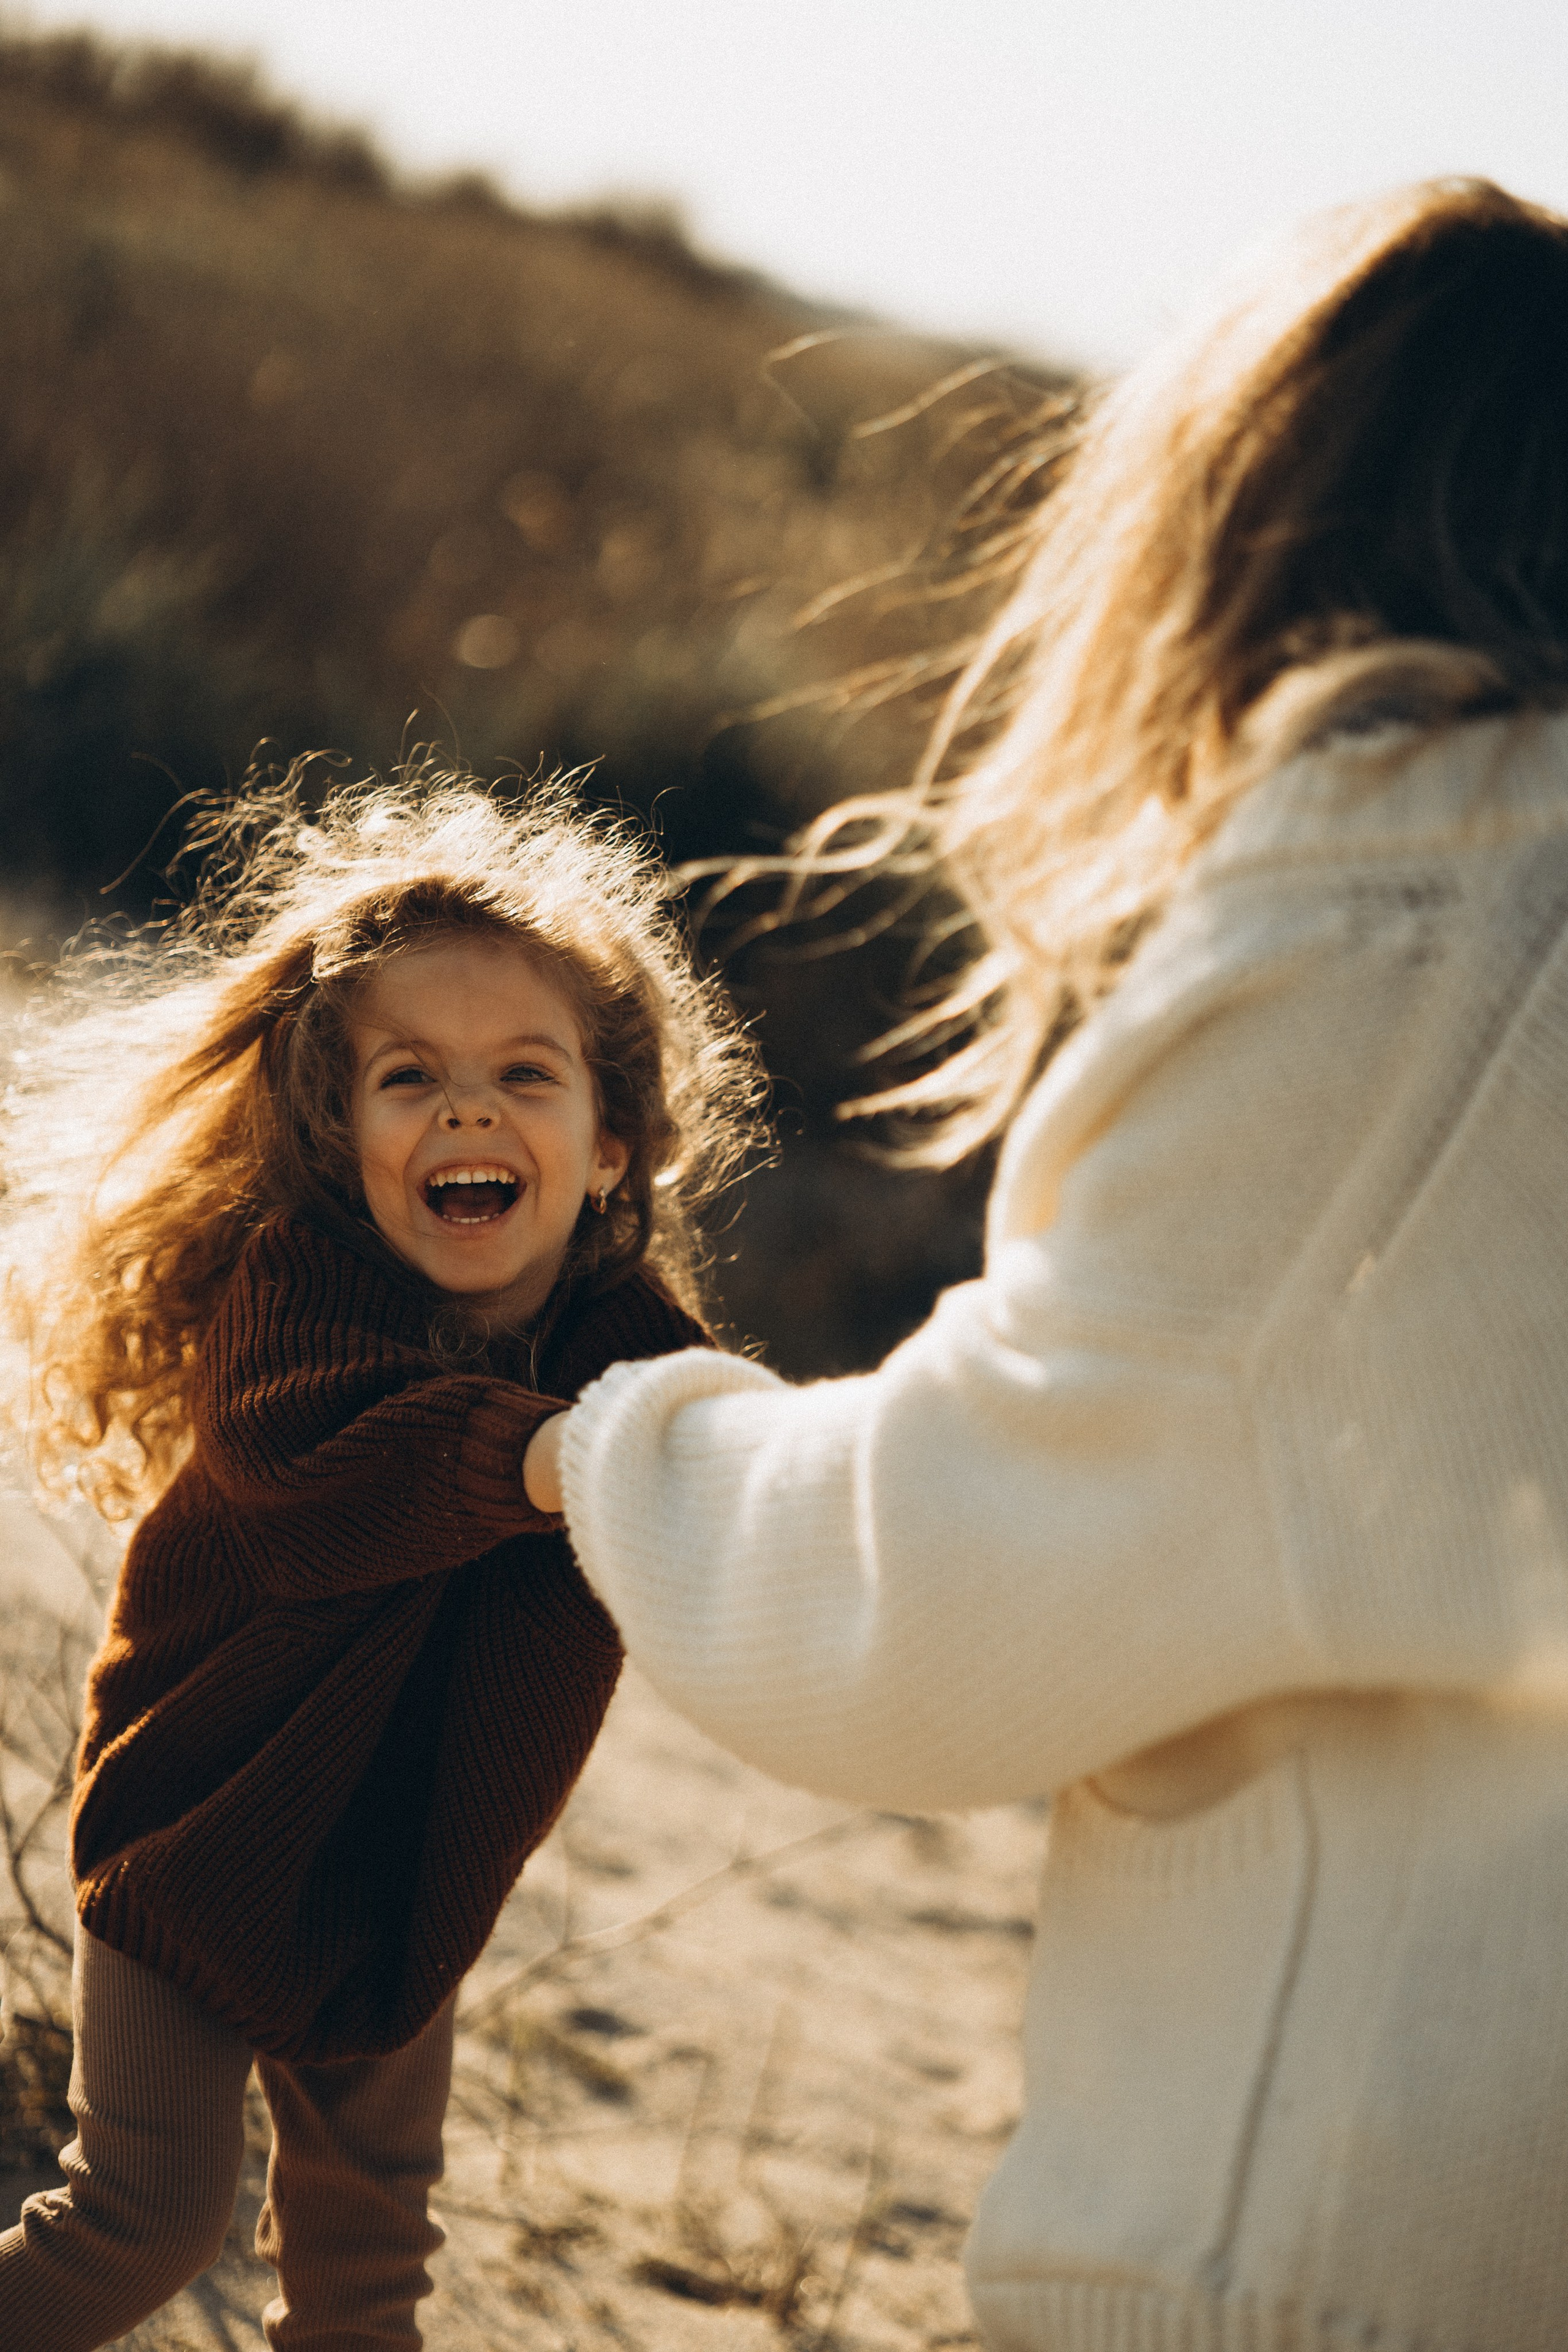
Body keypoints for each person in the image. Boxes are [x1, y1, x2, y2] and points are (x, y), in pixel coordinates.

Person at [524, 179, 1568, 2348]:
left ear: (1243, 520)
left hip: (1328, 2281)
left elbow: (933, 1604)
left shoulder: (1417, 961)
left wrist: (599, 1439)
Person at [0, 768, 760, 2351]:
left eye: (525, 1074)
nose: (468, 1111)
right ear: (339, 1139)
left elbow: (716, 1498)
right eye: (410, 1078)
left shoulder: (633, 1356)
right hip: (199, 1836)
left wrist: (773, 1478)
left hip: (406, 1872)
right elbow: (334, 1472)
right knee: (141, 2223)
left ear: (612, 1147)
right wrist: (559, 1458)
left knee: (368, 2279)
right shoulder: (296, 1299)